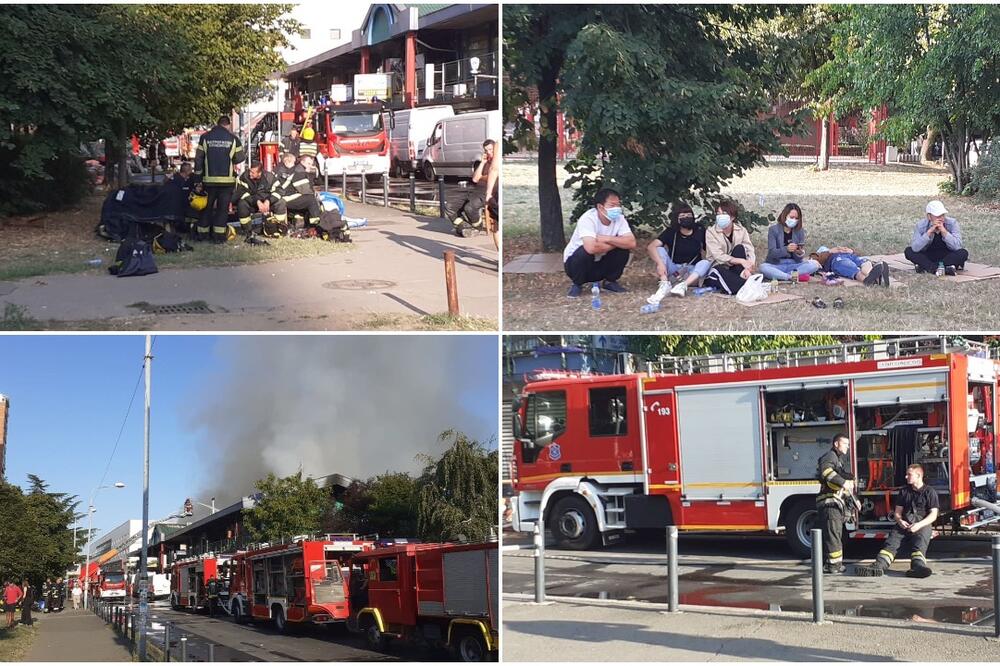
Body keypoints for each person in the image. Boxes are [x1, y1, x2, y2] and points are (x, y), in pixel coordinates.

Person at [864, 464, 939, 577]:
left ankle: (918, 568)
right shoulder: (904, 492)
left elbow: (933, 515)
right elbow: (897, 512)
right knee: (891, 543)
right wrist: (900, 521)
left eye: (909, 474)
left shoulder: (930, 492)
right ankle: (878, 566)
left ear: (918, 475)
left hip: (922, 523)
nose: (906, 476)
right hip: (904, 523)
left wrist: (919, 525)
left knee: (919, 546)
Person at [563, 188, 636, 297]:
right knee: (583, 252)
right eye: (612, 205)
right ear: (600, 207)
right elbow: (590, 248)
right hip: (576, 265)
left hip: (601, 263)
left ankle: (610, 282)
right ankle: (577, 284)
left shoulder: (620, 219)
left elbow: (631, 243)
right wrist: (616, 242)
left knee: (623, 250)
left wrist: (607, 239)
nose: (616, 209)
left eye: (618, 205)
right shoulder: (588, 219)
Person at [194, 115, 248, 242]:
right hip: (226, 182)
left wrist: (197, 179)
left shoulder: (205, 137)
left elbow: (198, 159)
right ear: (228, 125)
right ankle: (219, 237)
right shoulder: (233, 139)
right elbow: (240, 158)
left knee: (206, 209)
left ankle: (203, 236)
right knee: (222, 210)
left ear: (217, 124)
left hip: (209, 181)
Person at [646, 203, 711, 301]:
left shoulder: (700, 230)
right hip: (674, 269)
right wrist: (660, 264)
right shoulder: (671, 231)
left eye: (689, 215)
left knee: (705, 263)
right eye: (682, 216)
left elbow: (709, 250)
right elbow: (651, 247)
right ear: (677, 219)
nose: (686, 218)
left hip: (692, 272)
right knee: (659, 249)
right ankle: (664, 284)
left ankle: (683, 286)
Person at [816, 434, 855, 574]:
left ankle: (834, 564)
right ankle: (833, 566)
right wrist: (844, 482)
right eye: (845, 444)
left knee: (835, 535)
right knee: (833, 535)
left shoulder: (838, 460)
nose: (848, 447)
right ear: (836, 444)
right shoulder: (830, 456)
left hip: (834, 504)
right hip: (829, 504)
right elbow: (826, 472)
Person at [444, 139, 499, 237]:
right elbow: (475, 179)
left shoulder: (497, 163)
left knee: (469, 208)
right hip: (474, 189)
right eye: (486, 151)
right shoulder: (486, 162)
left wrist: (483, 177)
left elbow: (491, 175)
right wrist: (482, 163)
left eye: (491, 150)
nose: (489, 153)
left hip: (486, 191)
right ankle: (463, 227)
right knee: (449, 206)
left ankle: (477, 227)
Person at [704, 199, 756, 295]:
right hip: (718, 266)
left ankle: (744, 282)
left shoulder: (741, 230)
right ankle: (746, 285)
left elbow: (749, 250)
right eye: (718, 214)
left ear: (732, 217)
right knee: (719, 271)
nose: (720, 216)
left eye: (724, 213)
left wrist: (748, 267)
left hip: (736, 269)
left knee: (740, 248)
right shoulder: (711, 232)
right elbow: (718, 256)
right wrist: (741, 261)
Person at [903, 200, 969, 276]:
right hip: (928, 254)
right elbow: (915, 248)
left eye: (943, 215)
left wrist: (944, 232)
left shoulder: (952, 223)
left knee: (963, 253)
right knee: (909, 251)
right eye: (937, 216)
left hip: (947, 255)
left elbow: (957, 246)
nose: (941, 218)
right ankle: (942, 269)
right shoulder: (921, 225)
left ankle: (927, 268)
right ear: (929, 216)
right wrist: (929, 232)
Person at [759, 203, 822, 282]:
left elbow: (799, 258)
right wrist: (786, 249)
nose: (794, 220)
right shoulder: (773, 230)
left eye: (796, 218)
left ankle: (782, 276)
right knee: (763, 267)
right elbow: (772, 253)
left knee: (814, 265)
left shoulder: (799, 231)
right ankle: (789, 277)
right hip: (777, 264)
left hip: (794, 264)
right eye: (791, 217)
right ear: (784, 216)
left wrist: (799, 253)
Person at [234, 160, 287, 237]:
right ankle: (247, 231)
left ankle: (278, 228)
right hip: (252, 203)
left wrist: (268, 201)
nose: (250, 174)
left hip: (267, 202)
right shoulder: (244, 177)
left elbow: (279, 191)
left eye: (252, 172)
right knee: (242, 204)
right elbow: (242, 192)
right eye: (249, 171)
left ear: (259, 173)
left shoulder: (269, 177)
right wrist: (257, 202)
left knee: (281, 202)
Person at [275, 152, 321, 230]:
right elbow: (305, 190)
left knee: (308, 198)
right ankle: (315, 226)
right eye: (309, 163)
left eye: (311, 164)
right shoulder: (299, 171)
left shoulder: (281, 168)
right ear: (302, 162)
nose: (311, 166)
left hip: (282, 195)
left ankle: (304, 220)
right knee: (311, 199)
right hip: (285, 197)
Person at [809, 246, 889, 286]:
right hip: (838, 260)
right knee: (851, 268)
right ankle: (869, 280)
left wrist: (850, 250)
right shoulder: (824, 256)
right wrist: (829, 252)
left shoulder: (840, 250)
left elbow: (858, 253)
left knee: (865, 262)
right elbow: (813, 258)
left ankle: (873, 274)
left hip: (851, 256)